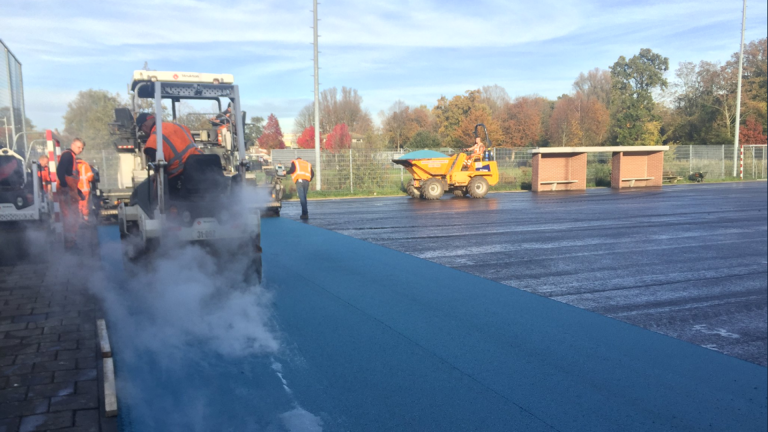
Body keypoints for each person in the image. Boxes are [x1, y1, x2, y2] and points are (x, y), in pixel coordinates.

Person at [136, 113, 201, 178]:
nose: (144, 132)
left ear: (144, 126)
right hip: (201, 164)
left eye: (142, 130)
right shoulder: (180, 126)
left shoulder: (152, 143)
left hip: (181, 175)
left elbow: (160, 171)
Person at [56, 138, 86, 249]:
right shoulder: (68, 155)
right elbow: (60, 171)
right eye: (79, 147)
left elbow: (70, 178)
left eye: (82, 148)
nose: (80, 150)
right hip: (66, 192)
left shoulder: (71, 157)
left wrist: (79, 192)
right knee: (68, 217)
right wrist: (64, 186)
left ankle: (72, 241)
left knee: (73, 217)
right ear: (73, 145)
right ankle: (69, 243)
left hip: (71, 192)